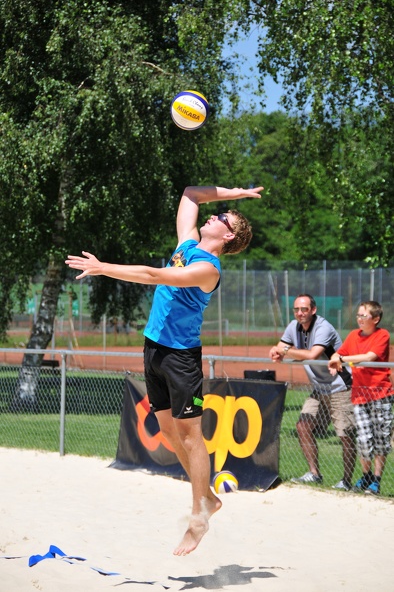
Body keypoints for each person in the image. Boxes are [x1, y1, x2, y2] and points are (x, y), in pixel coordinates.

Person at [65, 184, 262, 555]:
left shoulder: (207, 269)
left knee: (191, 436)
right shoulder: (187, 244)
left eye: (220, 218)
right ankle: (208, 498)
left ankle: (198, 514)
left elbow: (154, 276)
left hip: (180, 357)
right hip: (153, 347)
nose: (211, 216)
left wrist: (102, 267)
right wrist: (232, 194)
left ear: (228, 235)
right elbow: (190, 194)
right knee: (170, 433)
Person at [269, 294, 356, 490]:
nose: (300, 313)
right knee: (303, 426)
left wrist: (284, 351)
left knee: (345, 434)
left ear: (313, 310)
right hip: (319, 388)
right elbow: (280, 347)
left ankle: (347, 481)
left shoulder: (323, 327)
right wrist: (276, 350)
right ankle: (314, 473)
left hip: (340, 387)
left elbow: (311, 354)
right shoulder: (293, 326)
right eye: (297, 310)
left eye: (304, 309)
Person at [328, 301, 393, 495]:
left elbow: (370, 356)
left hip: (380, 394)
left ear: (375, 319)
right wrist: (335, 358)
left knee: (381, 439)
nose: (359, 319)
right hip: (360, 394)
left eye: (364, 316)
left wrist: (340, 359)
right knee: (364, 440)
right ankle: (366, 476)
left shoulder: (382, 335)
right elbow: (339, 352)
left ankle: (376, 480)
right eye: (358, 315)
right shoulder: (353, 336)